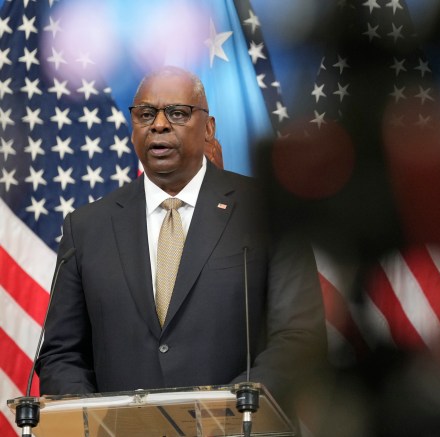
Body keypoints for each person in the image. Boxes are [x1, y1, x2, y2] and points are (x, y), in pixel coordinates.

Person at [36, 66, 327, 412]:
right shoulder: (86, 228)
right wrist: (94, 419)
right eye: (145, 114)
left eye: (177, 113)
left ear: (209, 128)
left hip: (239, 428)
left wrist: (228, 412)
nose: (159, 125)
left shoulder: (271, 212)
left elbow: (299, 339)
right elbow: (61, 354)